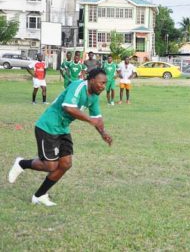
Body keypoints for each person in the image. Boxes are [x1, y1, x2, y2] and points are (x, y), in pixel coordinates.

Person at [8, 68, 112, 206]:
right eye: (102, 83)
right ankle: (21, 163)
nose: (104, 87)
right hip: (48, 126)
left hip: (62, 129)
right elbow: (68, 108)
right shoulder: (78, 86)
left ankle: (39, 196)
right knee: (50, 165)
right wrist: (89, 120)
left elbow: (97, 118)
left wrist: (103, 133)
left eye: (105, 83)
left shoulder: (94, 97)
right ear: (92, 80)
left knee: (65, 164)